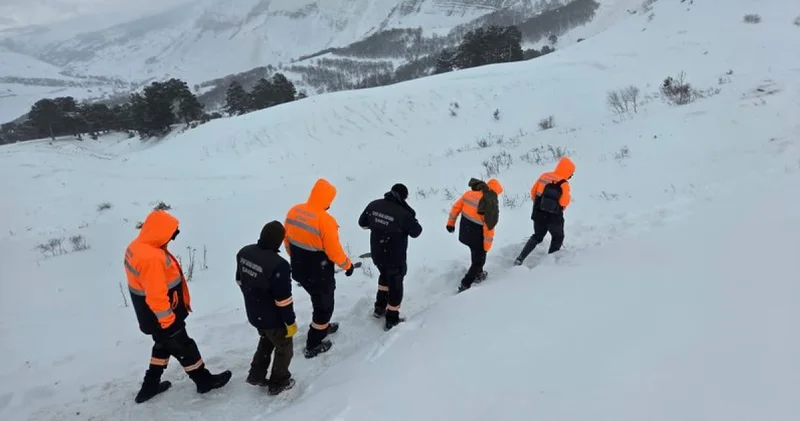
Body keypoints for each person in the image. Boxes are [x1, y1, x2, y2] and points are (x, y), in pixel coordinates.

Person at [124, 209, 231, 404]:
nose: (172, 239)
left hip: (150, 316)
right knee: (184, 346)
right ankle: (204, 381)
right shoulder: (151, 258)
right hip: (162, 315)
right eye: (172, 234)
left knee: (163, 346)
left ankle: (149, 387)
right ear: (159, 232)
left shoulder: (137, 246)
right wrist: (168, 322)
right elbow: (156, 296)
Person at [284, 178, 355, 358]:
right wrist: (347, 265)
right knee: (324, 307)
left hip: (299, 269)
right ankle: (314, 343)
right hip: (319, 273)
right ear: (328, 200)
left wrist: (296, 258)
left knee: (319, 301)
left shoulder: (294, 210)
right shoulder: (325, 220)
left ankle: (323, 326)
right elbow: (333, 251)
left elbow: (287, 240)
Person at [235, 220, 298, 396]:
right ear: (279, 241)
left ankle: (256, 375)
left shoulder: (244, 252)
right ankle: (279, 381)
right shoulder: (279, 265)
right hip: (272, 316)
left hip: (254, 312)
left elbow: (240, 280)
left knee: (267, 339)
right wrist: (289, 321)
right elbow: (283, 299)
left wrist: (254, 297)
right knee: (284, 345)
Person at [357, 183, 423, 330]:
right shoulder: (403, 213)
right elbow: (416, 231)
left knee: (384, 276)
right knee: (395, 283)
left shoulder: (374, 205)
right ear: (404, 197)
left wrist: (378, 226)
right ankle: (392, 318)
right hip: (395, 256)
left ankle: (379, 308)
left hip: (377, 253)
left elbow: (362, 223)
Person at [514, 156, 575, 265]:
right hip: (554, 217)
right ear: (568, 171)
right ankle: (549, 264)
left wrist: (539, 205)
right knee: (557, 237)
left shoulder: (544, 176)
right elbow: (563, 203)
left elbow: (533, 192)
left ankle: (520, 258)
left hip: (538, 213)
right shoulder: (564, 184)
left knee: (537, 236)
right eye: (571, 174)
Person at [446, 177, 503, 293]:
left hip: (465, 232)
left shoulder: (469, 194)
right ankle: (465, 284)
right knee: (479, 261)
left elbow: (456, 208)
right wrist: (487, 246)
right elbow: (489, 227)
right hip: (477, 235)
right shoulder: (489, 203)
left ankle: (479, 274)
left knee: (475, 252)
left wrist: (450, 223)